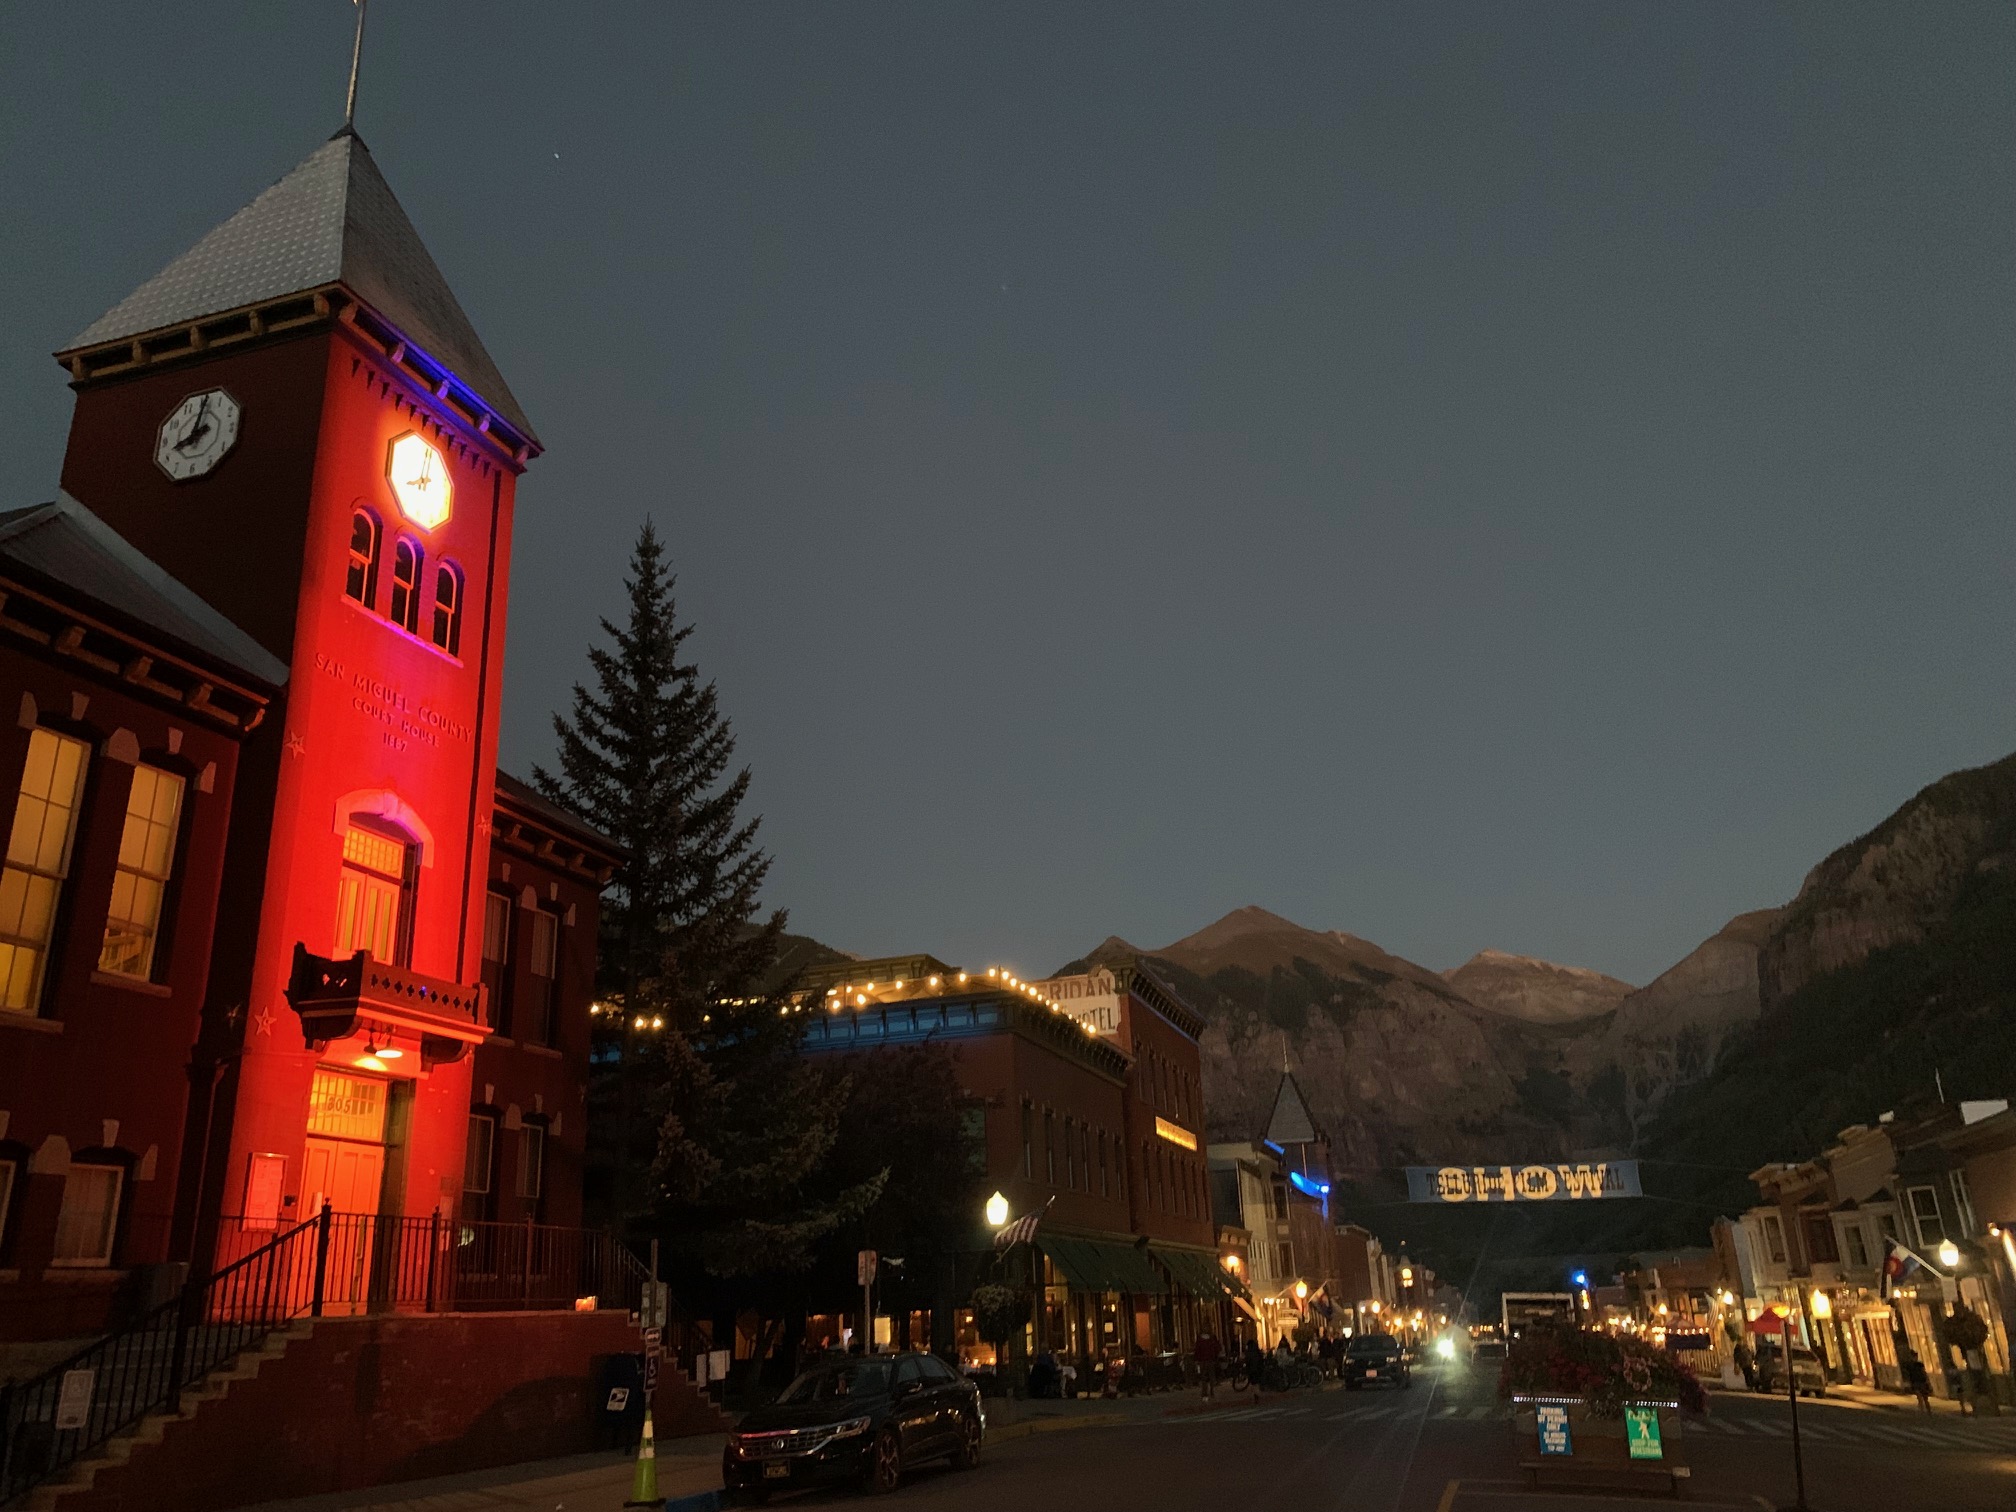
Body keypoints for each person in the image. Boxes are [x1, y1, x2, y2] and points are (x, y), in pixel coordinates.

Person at [1194, 1330, 1221, 1400]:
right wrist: (1215, 1357)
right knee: (1211, 1376)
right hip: (1211, 1360)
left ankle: (1204, 1392)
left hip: (1202, 1361)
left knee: (1204, 1377)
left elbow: (1197, 1350)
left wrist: (1197, 1359)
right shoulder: (1212, 1339)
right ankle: (1212, 1391)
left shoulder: (1200, 1340)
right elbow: (1216, 1349)